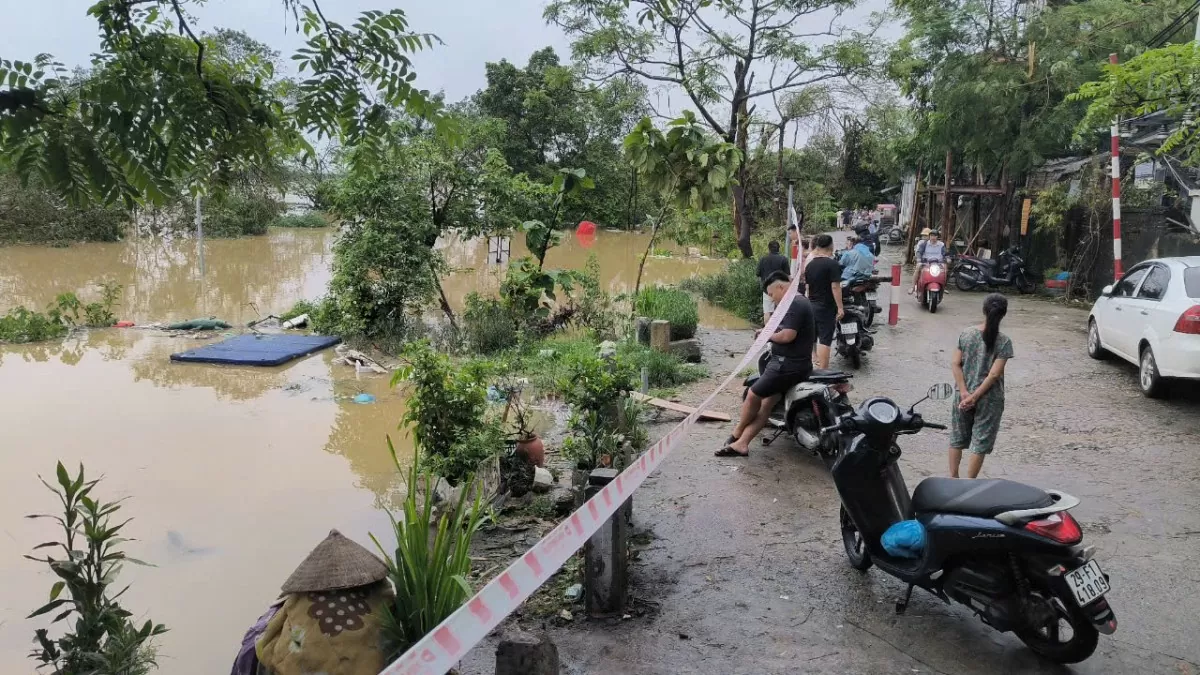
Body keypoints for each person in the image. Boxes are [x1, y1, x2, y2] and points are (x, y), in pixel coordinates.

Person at [717, 271, 814, 457]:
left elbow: (787, 336)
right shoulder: (795, 301)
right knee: (767, 404)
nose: (772, 299)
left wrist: (766, 336)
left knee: (753, 394)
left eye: (771, 295)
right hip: (795, 364)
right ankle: (742, 444)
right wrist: (767, 330)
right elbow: (784, 328)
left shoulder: (795, 302)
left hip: (788, 365)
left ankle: (736, 433)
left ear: (780, 287)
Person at [948, 294, 1013, 478]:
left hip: (962, 395)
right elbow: (994, 374)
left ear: (984, 310)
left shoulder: (966, 334)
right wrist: (975, 397)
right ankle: (970, 484)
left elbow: (955, 364)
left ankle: (953, 479)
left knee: (957, 438)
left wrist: (963, 392)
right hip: (989, 400)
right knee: (980, 441)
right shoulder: (1004, 342)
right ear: (1003, 314)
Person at [803, 234, 843, 369]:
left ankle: (813, 365)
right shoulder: (832, 264)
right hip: (826, 307)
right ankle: (823, 371)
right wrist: (840, 308)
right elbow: (835, 287)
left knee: (812, 338)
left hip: (811, 306)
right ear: (831, 246)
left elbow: (808, 287)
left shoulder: (810, 265)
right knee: (825, 340)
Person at [756, 241, 791, 323]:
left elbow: (758, 274)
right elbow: (788, 276)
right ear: (779, 248)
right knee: (780, 312)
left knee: (767, 312)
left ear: (769, 248)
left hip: (767, 289)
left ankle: (767, 332)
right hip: (780, 290)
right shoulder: (783, 259)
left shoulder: (763, 259)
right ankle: (778, 330)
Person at [910, 228, 947, 294]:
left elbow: (945, 254)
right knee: (918, 266)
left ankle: (943, 287)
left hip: (938, 263)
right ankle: (912, 287)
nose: (933, 237)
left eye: (935, 236)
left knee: (945, 267)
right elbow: (919, 252)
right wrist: (919, 259)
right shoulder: (924, 244)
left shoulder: (941, 245)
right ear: (929, 236)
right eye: (931, 235)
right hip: (926, 263)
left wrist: (948, 258)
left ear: (937, 237)